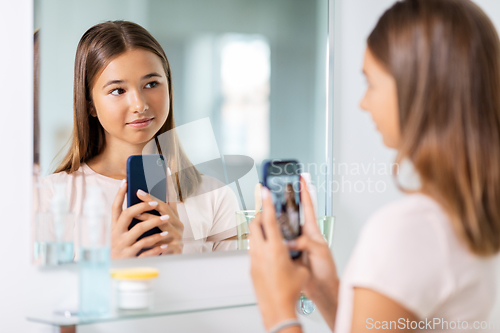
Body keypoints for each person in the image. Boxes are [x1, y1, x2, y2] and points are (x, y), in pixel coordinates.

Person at [249, 0, 500, 332]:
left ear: (417, 92)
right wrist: (325, 289)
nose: (363, 103)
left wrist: (278, 307)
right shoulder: (460, 221)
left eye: (371, 83)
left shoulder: (406, 232)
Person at [40, 20, 239, 259]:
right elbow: (36, 295)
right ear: (90, 105)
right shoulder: (52, 197)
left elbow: (230, 293)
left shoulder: (214, 197)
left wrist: (180, 258)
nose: (139, 104)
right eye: (118, 90)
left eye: (151, 84)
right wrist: (109, 261)